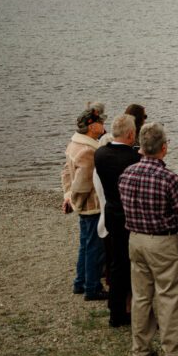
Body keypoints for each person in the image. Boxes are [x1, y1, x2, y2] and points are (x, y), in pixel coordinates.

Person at [118, 122, 178, 356]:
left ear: (140, 147)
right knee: (171, 297)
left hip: (135, 240)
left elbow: (124, 207)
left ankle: (141, 352)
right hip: (162, 242)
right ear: (163, 148)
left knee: (141, 297)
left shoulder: (126, 174)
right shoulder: (169, 178)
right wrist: (168, 228)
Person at [94, 114, 141, 327]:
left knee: (117, 264)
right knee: (136, 265)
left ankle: (115, 312)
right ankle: (135, 310)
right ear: (131, 134)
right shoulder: (133, 159)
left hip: (111, 212)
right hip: (131, 217)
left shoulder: (100, 154)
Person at [62, 107, 108, 301]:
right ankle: (92, 287)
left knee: (84, 244)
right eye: (101, 123)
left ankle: (80, 282)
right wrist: (76, 201)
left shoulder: (74, 144)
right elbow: (83, 183)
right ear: (92, 126)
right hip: (92, 206)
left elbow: (65, 173)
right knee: (94, 247)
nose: (104, 125)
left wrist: (67, 195)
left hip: (83, 205)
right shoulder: (88, 151)